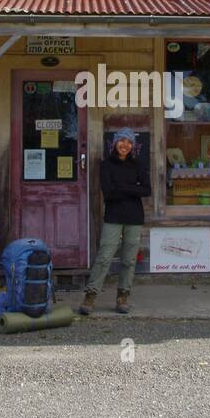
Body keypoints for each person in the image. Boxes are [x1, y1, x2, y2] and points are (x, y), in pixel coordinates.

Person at [80, 127, 151, 315]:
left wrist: (122, 187)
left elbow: (146, 190)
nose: (125, 145)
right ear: (115, 143)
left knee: (128, 260)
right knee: (104, 257)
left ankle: (123, 296)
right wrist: (132, 188)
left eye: (129, 142)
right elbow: (109, 193)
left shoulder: (138, 164)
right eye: (121, 141)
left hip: (134, 218)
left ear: (132, 146)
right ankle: (90, 296)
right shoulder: (106, 165)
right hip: (113, 216)